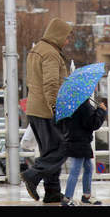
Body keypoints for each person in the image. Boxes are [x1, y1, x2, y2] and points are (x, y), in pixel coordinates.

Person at [20, 17, 73, 204]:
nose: (67, 41)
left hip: (35, 108)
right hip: (46, 110)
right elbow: (51, 84)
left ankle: (52, 192)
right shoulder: (50, 53)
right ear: (58, 35)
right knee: (63, 147)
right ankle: (33, 175)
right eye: (66, 37)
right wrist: (55, 108)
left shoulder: (37, 50)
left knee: (49, 151)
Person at [61, 98, 107, 206]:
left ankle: (86, 196)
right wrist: (101, 111)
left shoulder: (71, 103)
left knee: (88, 168)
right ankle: (67, 198)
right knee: (75, 170)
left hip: (75, 139)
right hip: (80, 141)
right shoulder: (84, 105)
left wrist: (97, 110)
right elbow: (93, 123)